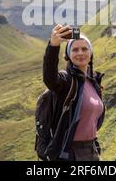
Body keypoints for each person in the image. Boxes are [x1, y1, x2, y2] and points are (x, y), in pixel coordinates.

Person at [42, 24, 105, 161]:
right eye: (75, 50)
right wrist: (53, 46)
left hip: (91, 150)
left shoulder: (93, 81)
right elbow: (50, 79)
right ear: (69, 55)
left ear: (91, 53)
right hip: (69, 153)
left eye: (84, 49)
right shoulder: (67, 81)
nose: (80, 53)